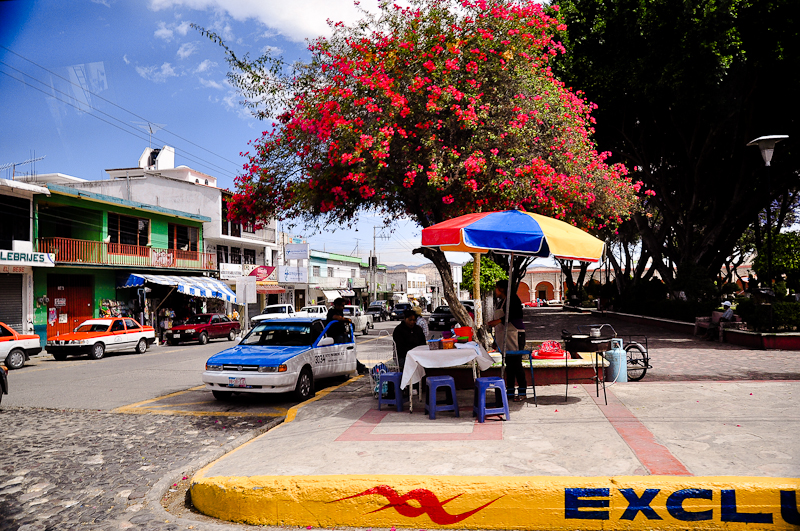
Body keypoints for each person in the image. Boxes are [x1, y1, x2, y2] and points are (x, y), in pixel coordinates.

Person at [487, 280, 527, 401]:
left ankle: (522, 392)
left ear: (502, 289)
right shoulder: (501, 302)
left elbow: (514, 315)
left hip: (515, 335)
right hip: (504, 336)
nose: (495, 291)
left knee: (516, 364)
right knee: (509, 365)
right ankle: (510, 391)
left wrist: (498, 321)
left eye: (497, 288)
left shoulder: (513, 300)